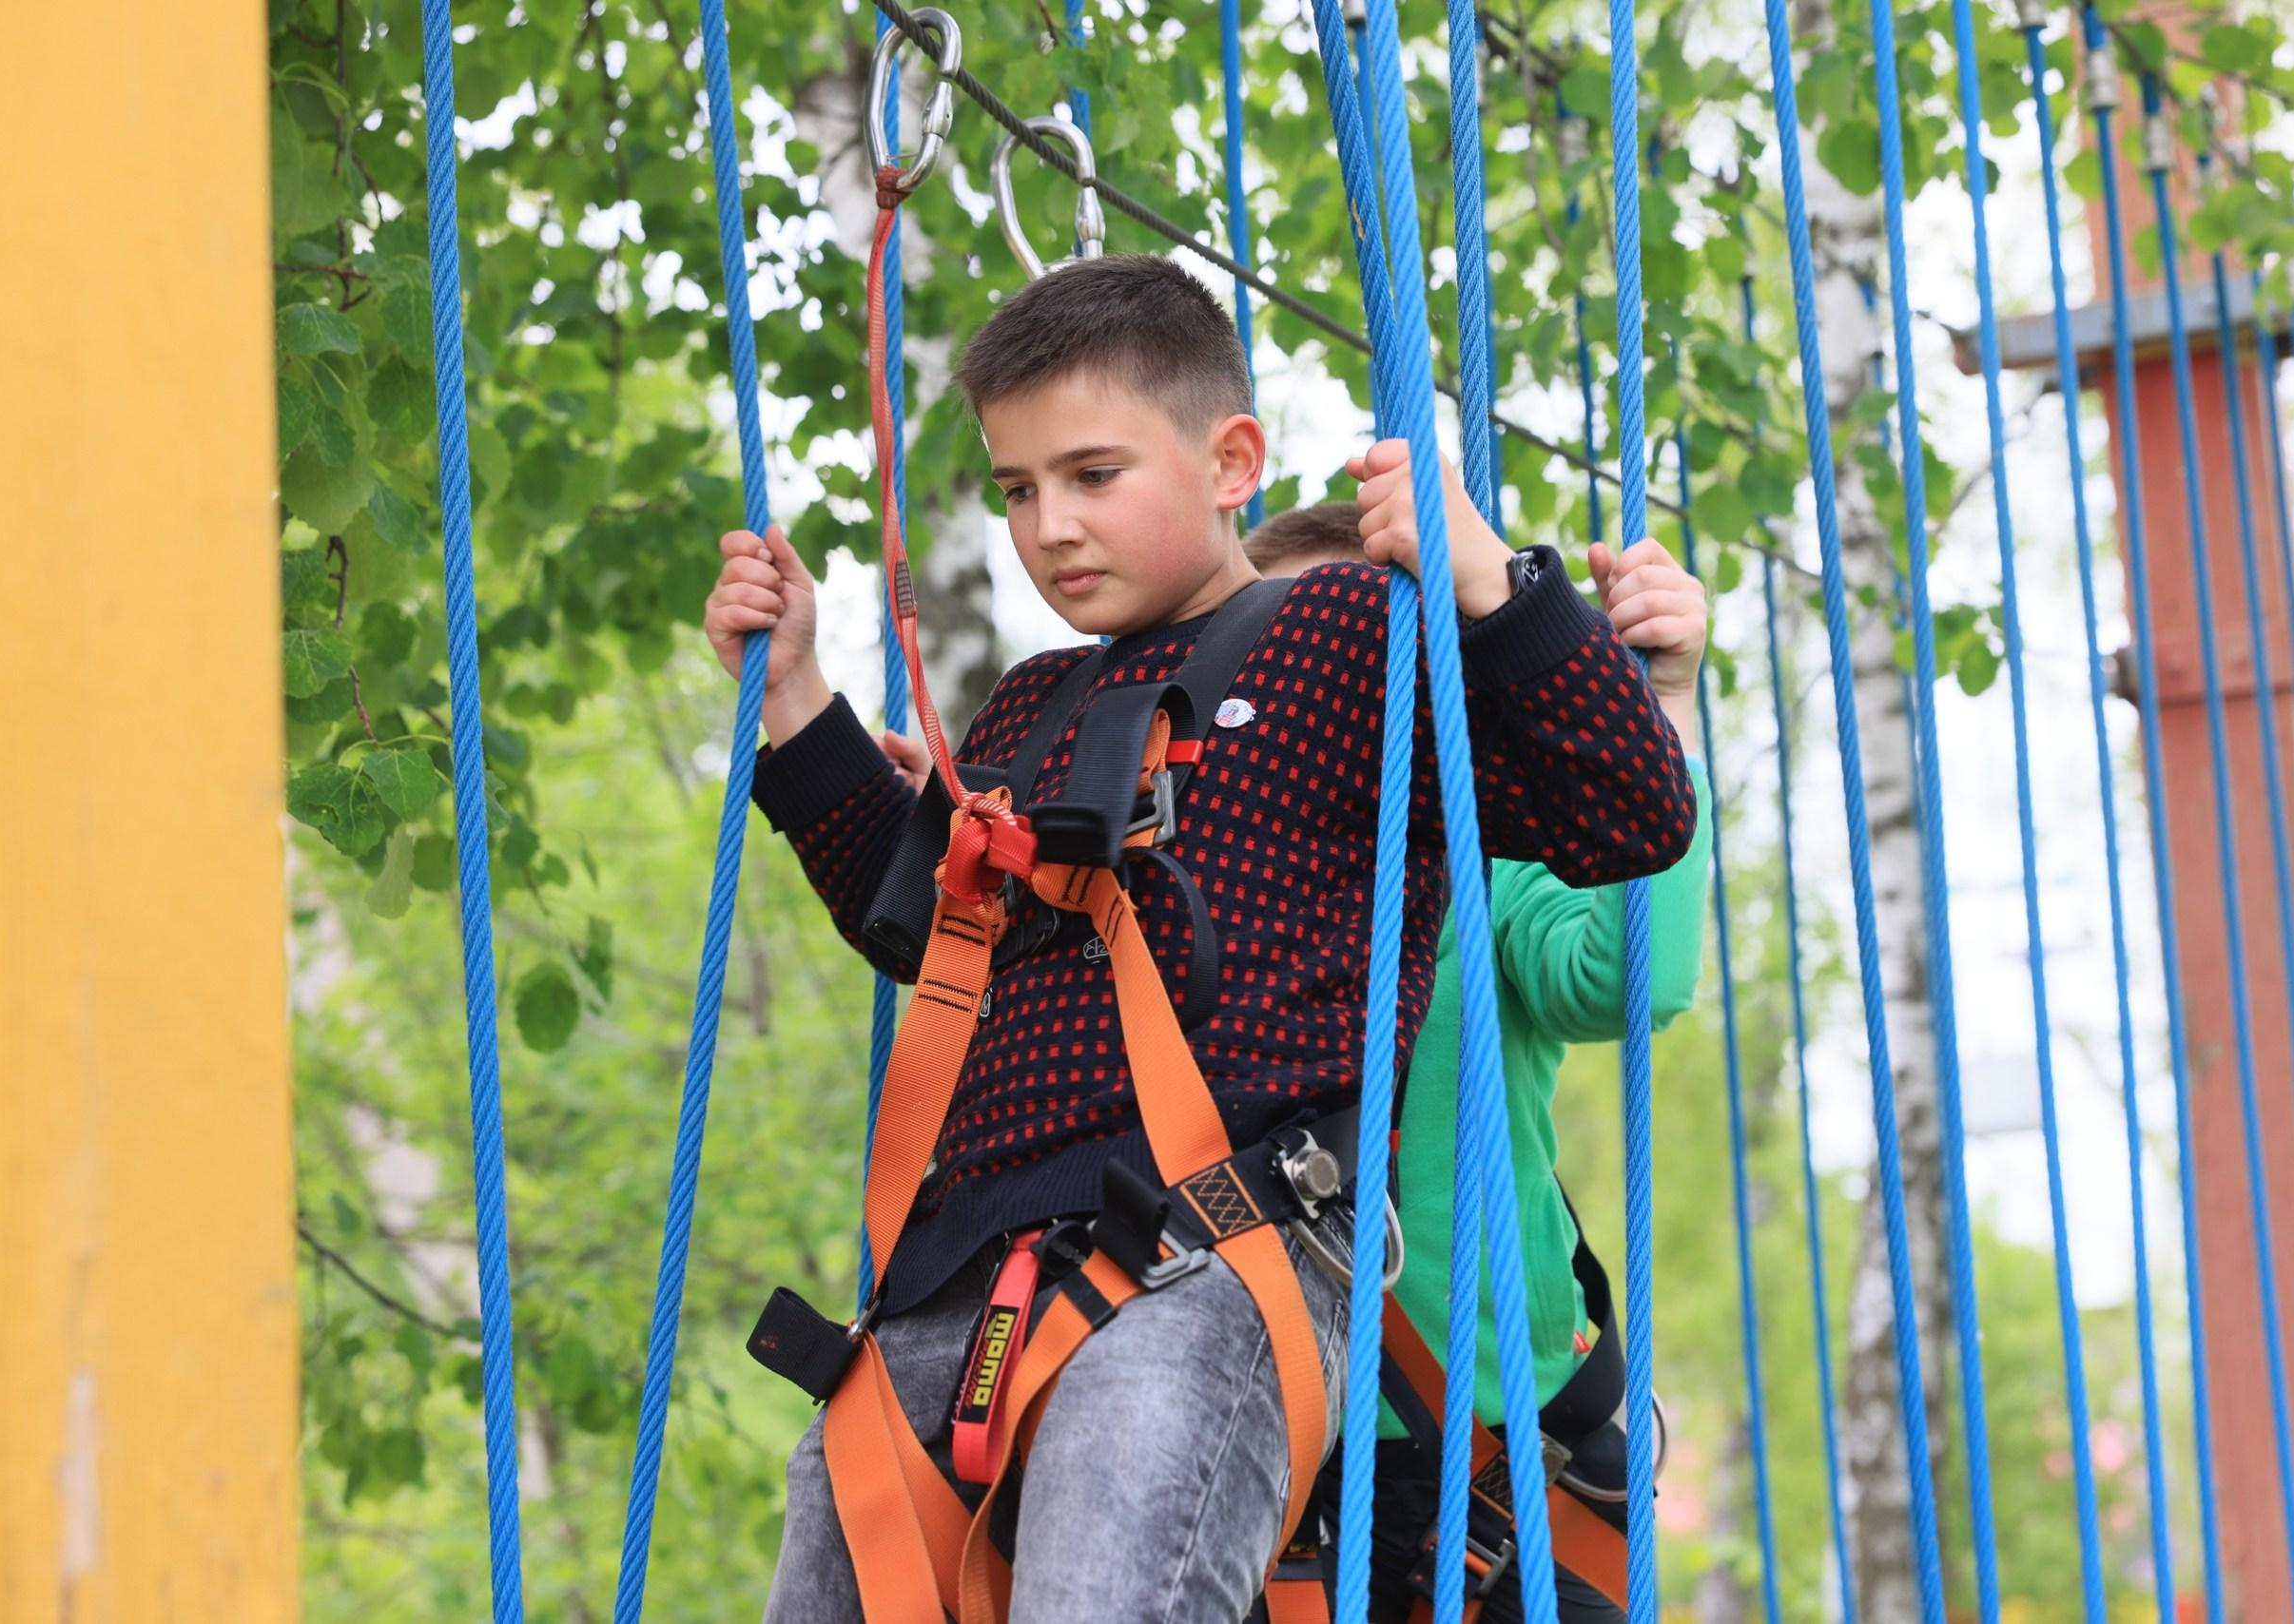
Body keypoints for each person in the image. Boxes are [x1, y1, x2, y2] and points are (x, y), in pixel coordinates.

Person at [701, 253, 1697, 1624]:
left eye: (1092, 476)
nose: (1049, 526)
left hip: (1215, 1242)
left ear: (1234, 461)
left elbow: (1627, 812)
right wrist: (801, 699)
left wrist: (1487, 577)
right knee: (833, 1571)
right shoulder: (1028, 705)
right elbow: (921, 929)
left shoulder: (1352, 634)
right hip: (970, 1267)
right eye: (1018, 489)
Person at [1247, 503, 1715, 1623]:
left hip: (1462, 1436)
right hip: (1248, 1418)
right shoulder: (1201, 879)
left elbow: (1626, 978)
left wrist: (1661, 708)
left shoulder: (1483, 866)